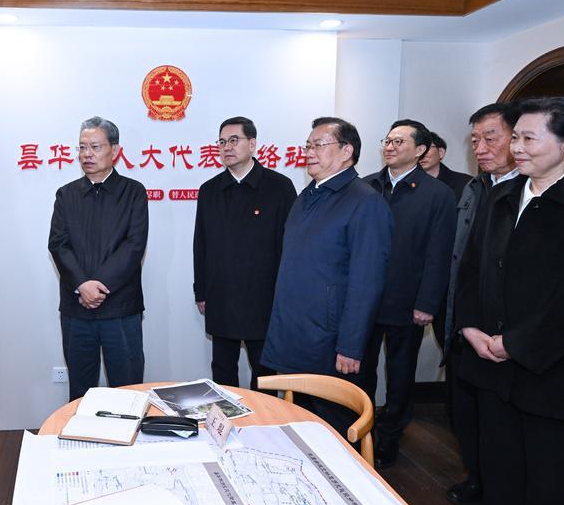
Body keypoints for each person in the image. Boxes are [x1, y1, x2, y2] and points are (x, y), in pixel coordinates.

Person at [455, 96, 564, 505]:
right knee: (500, 478)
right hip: (492, 367)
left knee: (549, 487)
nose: (517, 148)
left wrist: (516, 343)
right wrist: (469, 326)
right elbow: (471, 267)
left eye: (529, 138)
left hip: (553, 374)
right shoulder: (501, 196)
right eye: (516, 138)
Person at [261, 117, 392, 438]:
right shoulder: (307, 196)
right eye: (308, 145)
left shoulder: (365, 202)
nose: (309, 152)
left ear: (347, 151)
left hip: (330, 342)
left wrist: (351, 345)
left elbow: (367, 282)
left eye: (318, 145)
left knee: (334, 428)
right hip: (295, 333)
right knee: (297, 422)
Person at [362, 120, 456, 469]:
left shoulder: (437, 194)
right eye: (387, 140)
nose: (390, 147)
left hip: (407, 302)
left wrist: (427, 303)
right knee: (359, 371)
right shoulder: (366, 186)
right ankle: (361, 429)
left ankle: (390, 437)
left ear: (420, 150)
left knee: (400, 374)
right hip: (364, 300)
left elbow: (439, 253)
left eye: (399, 142)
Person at [440, 103, 518, 505]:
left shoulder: (528, 191)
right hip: (465, 321)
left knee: (502, 424)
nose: (481, 148)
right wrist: (463, 322)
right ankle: (476, 477)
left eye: (490, 137)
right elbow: (463, 260)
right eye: (474, 140)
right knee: (466, 412)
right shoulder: (475, 188)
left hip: (507, 334)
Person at [49, 116, 149, 402]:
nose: (87, 154)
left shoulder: (133, 192)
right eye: (82, 147)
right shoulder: (66, 194)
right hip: (77, 310)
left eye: (95, 147)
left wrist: (99, 286)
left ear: (114, 150)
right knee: (81, 394)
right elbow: (58, 244)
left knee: (127, 392)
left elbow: (134, 246)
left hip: (120, 308)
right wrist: (82, 285)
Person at [193, 116, 296, 389]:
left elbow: (291, 246)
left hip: (264, 297)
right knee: (222, 371)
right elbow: (200, 244)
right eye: (221, 142)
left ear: (252, 144)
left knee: (264, 374)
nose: (226, 147)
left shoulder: (279, 187)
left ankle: (263, 417)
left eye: (234, 140)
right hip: (221, 296)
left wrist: (286, 294)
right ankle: (225, 416)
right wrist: (201, 291)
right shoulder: (210, 190)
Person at [421, 131, 472, 200]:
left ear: (441, 152)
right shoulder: (408, 182)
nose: (421, 154)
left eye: (427, 149)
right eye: (418, 150)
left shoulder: (465, 183)